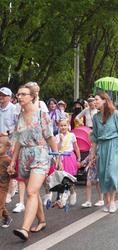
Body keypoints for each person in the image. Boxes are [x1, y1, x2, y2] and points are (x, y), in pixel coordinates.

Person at [8, 85, 58, 241]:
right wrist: (12, 162)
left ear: (32, 96)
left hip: (40, 153)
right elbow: (17, 142)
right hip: (24, 156)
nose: (20, 97)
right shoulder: (20, 117)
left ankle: (24, 229)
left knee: (31, 191)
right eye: (18, 94)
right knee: (33, 193)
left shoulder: (42, 114)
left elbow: (50, 137)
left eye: (23, 94)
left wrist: (57, 157)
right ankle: (42, 220)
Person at [90, 92, 118, 213]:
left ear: (104, 100)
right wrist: (92, 154)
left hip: (115, 145)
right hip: (102, 146)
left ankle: (112, 201)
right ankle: (107, 201)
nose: (94, 102)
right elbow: (95, 137)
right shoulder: (95, 117)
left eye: (96, 99)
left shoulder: (115, 114)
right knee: (102, 175)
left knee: (112, 173)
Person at [0, 138, 14, 228]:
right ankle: (7, 217)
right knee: (1, 204)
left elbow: (14, 174)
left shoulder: (8, 160)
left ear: (6, 147)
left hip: (2, 187)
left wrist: (12, 172)